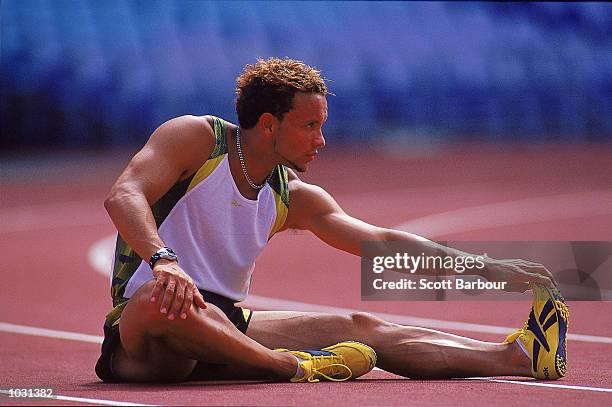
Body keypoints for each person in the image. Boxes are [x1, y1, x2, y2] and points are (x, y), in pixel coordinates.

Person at [95, 57, 568, 383]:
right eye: (310, 126)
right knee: (164, 298)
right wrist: (163, 260)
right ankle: (292, 368)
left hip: (228, 325)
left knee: (360, 324)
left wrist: (487, 268)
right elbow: (125, 194)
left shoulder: (292, 195)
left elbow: (381, 242)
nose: (321, 140)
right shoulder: (197, 140)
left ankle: (520, 357)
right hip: (149, 333)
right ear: (268, 124)